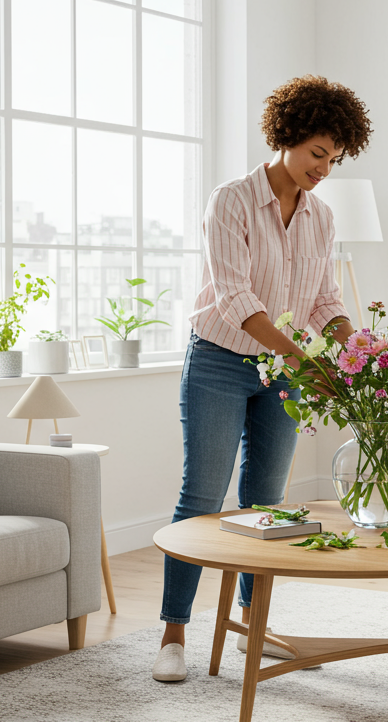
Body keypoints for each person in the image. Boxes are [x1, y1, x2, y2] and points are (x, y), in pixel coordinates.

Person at [152, 75, 373, 683]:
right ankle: (174, 632)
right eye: (317, 154)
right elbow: (236, 299)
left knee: (266, 503)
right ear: (286, 138)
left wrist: (355, 346)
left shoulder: (321, 217)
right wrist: (302, 359)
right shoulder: (231, 201)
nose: (324, 169)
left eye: (335, 158)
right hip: (221, 360)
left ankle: (253, 622)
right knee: (201, 497)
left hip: (285, 368)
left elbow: (324, 300)